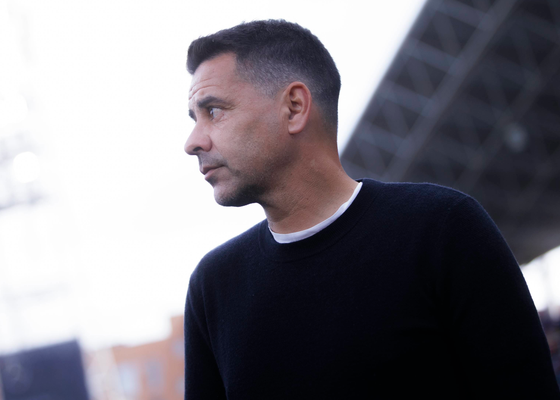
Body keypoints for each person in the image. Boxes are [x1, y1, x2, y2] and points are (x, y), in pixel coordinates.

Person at [183, 20, 560, 399]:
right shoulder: (212, 287)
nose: (193, 142)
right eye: (195, 119)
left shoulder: (443, 229)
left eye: (213, 111)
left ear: (294, 108)